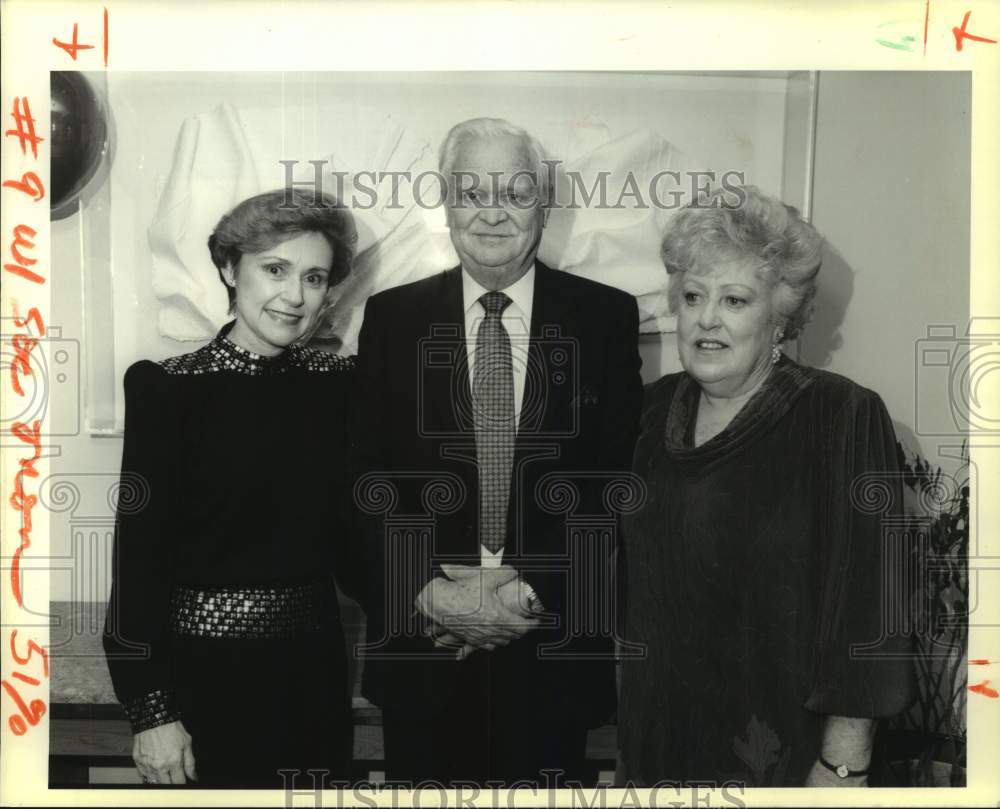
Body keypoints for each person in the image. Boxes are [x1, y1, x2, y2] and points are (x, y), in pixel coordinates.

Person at [354, 117, 643, 786]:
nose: (491, 212)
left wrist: (528, 592)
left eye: (513, 193)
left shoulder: (604, 317)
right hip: (425, 649)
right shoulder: (391, 318)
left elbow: (617, 480)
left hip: (550, 648)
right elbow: (362, 477)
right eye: (471, 191)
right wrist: (427, 590)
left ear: (543, 204)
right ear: (446, 200)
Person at [618, 185, 916, 788]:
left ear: (778, 316)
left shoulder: (841, 416)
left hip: (789, 752)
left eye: (734, 300)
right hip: (658, 742)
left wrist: (842, 765)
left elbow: (869, 609)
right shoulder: (647, 415)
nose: (707, 318)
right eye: (694, 296)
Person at [102, 188, 364, 788]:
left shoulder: (341, 388)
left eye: (315, 277)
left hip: (313, 678)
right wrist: (151, 712)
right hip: (204, 686)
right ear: (228, 267)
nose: (295, 296)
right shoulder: (167, 391)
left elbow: (358, 545)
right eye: (275, 269)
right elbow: (139, 565)